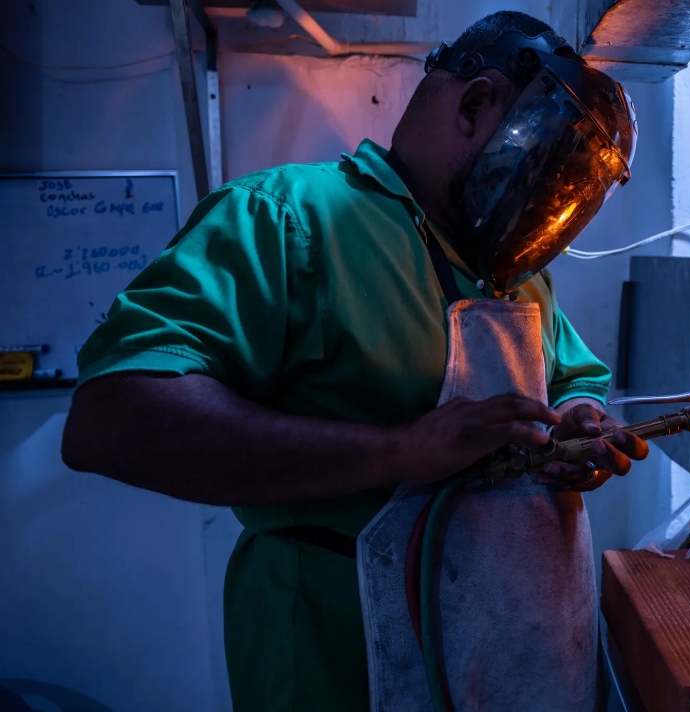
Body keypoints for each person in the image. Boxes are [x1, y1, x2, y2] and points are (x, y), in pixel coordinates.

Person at [61, 10, 646, 712]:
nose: (548, 204)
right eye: (545, 170)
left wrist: (580, 422)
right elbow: (114, 417)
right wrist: (398, 451)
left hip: (517, 659)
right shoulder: (285, 217)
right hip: (339, 666)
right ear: (475, 104)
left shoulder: (518, 274)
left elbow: (571, 378)